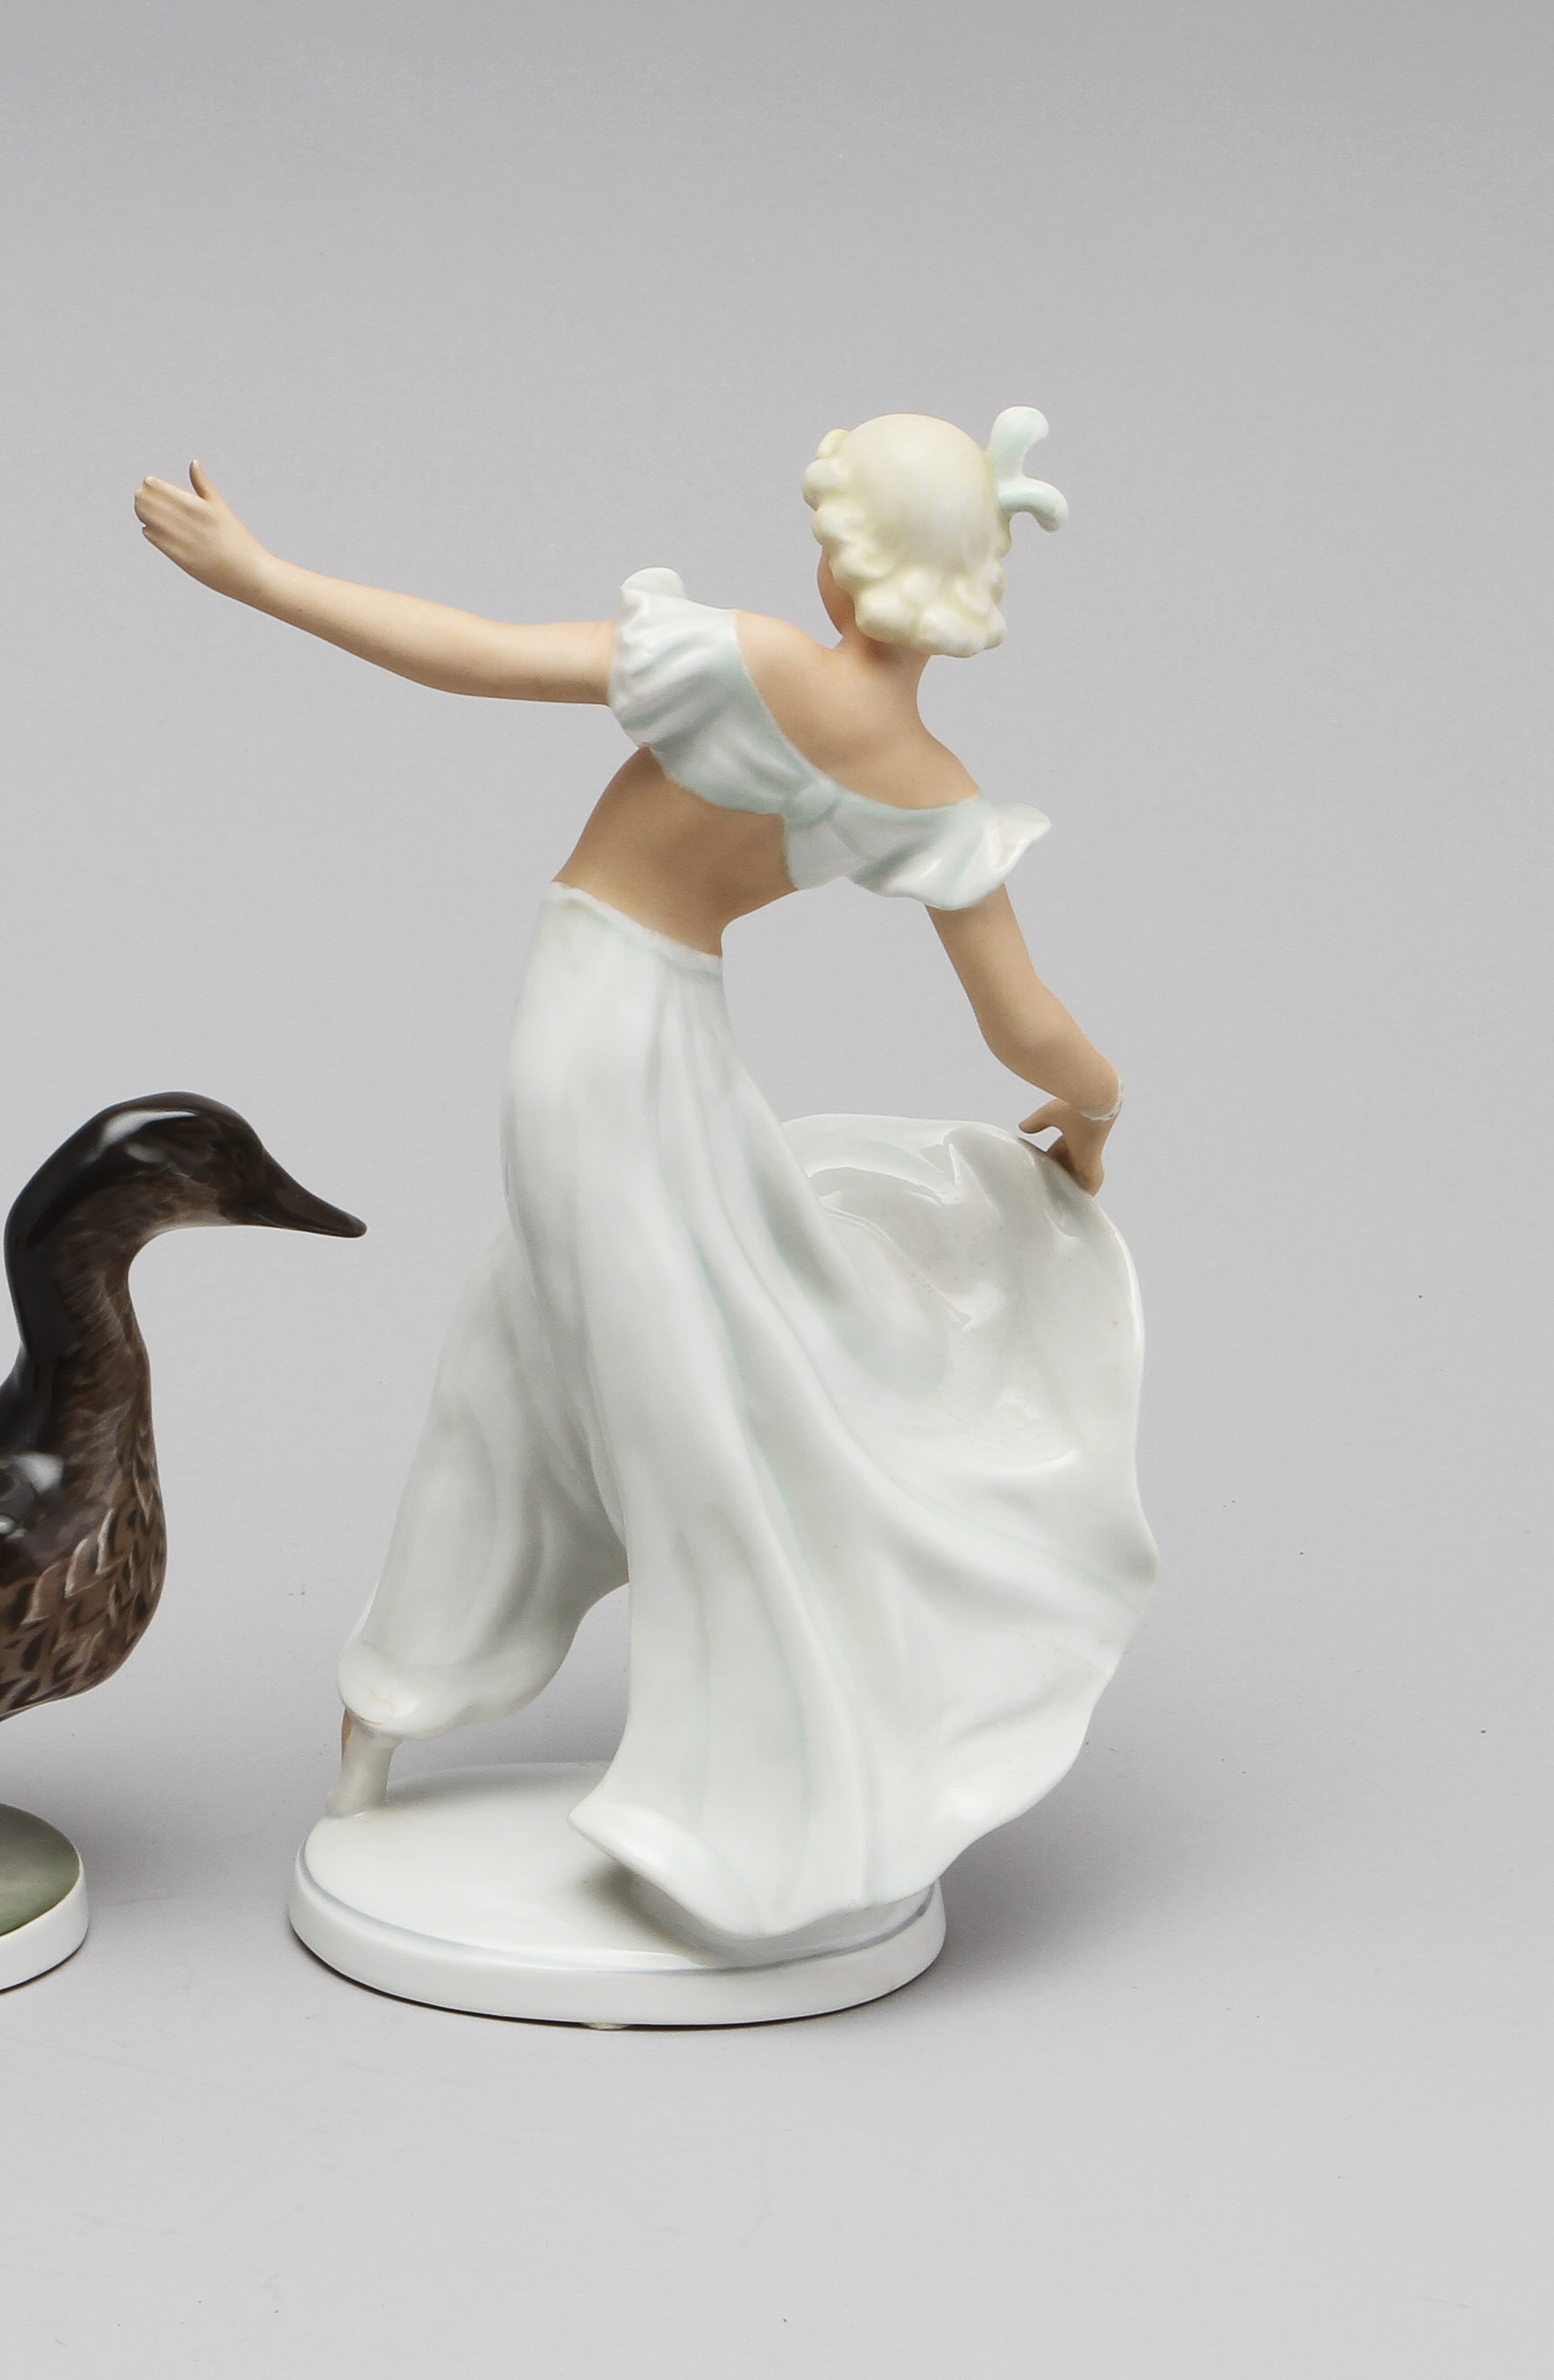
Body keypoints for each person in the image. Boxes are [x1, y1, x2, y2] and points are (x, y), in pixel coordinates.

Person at [135, 412, 1158, 1948]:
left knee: (656, 1385)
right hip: (655, 1031)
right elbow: (1024, 1025)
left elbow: (476, 656)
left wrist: (261, 575)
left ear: (848, 563)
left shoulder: (748, 658)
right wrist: (1095, 1109)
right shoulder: (932, 788)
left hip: (604, 1025)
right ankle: (423, 1703)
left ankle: (729, 1800)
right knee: (615, 1348)